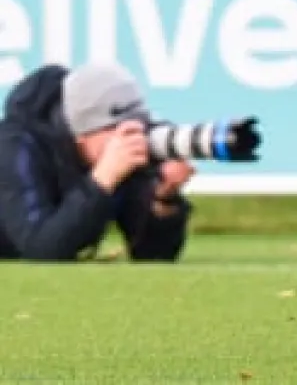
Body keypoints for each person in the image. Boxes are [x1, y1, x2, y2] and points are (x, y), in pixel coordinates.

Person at [0, 62, 194, 262]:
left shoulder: (121, 152)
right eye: (114, 128)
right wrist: (102, 180)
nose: (127, 138)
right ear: (81, 134)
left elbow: (153, 255)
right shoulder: (16, 146)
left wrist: (164, 200)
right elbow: (41, 247)